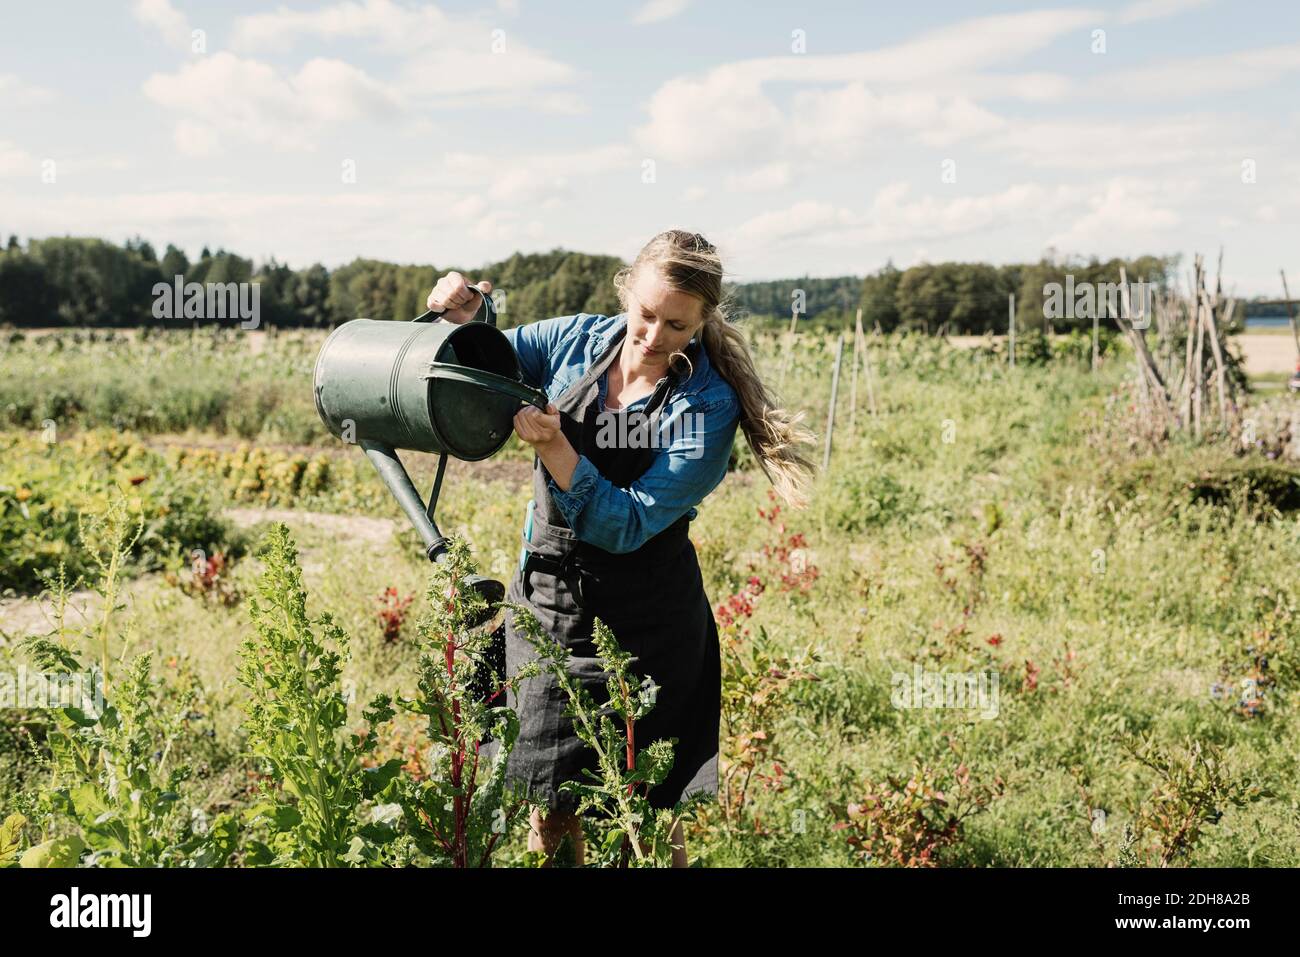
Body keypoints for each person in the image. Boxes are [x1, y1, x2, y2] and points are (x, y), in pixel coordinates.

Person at [426, 229, 815, 866]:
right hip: (548, 604)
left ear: (702, 321)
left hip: (648, 619)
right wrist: (468, 317)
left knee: (652, 812)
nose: (655, 336)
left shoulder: (706, 404)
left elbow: (628, 523)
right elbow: (491, 359)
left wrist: (556, 447)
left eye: (677, 326)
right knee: (549, 804)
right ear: (625, 292)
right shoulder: (578, 340)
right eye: (645, 314)